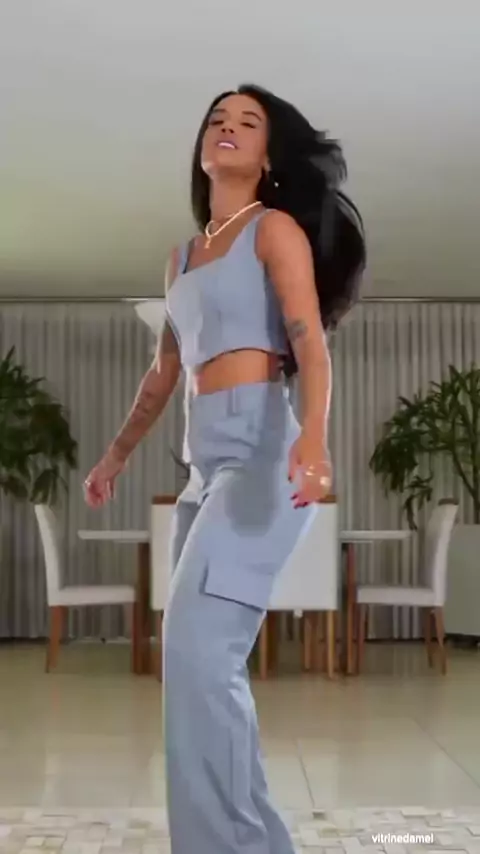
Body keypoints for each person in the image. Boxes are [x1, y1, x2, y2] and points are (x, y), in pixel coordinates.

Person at [84, 84, 365, 854]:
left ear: (269, 155)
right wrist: (116, 454)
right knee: (195, 665)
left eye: (248, 122)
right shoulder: (178, 260)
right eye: (217, 120)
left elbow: (309, 345)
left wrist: (314, 439)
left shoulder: (273, 230)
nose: (228, 129)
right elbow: (162, 376)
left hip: (262, 452)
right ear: (202, 148)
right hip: (204, 463)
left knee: (201, 656)